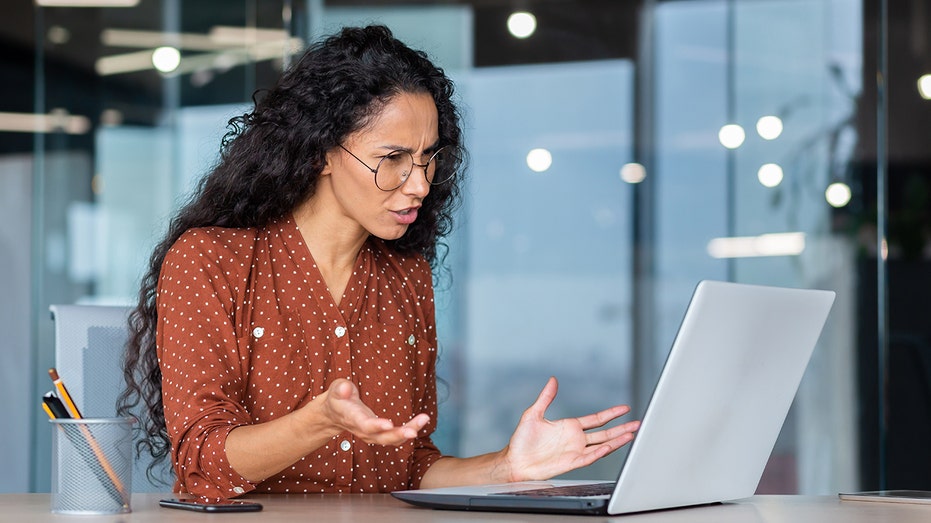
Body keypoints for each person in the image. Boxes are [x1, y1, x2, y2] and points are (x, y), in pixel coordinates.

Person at [119, 24, 640, 499]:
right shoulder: (212, 260)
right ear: (321, 150)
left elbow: (410, 470)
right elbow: (203, 463)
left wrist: (507, 467)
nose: (418, 184)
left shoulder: (405, 275)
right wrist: (318, 421)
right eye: (391, 159)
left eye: (428, 158)